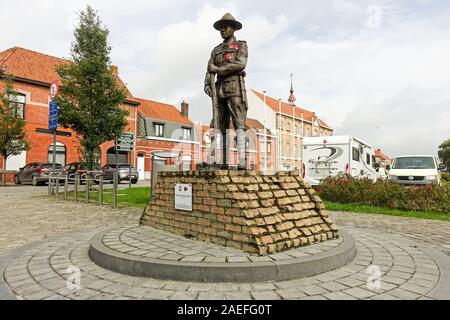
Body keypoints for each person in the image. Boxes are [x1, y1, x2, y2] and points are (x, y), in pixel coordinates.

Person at [204, 13, 248, 170]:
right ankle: (222, 161)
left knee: (239, 123)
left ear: (234, 29)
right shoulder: (216, 50)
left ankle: (242, 161)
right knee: (219, 125)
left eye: (226, 26)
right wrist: (207, 84)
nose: (223, 29)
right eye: (221, 27)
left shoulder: (241, 46)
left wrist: (218, 69)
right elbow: (209, 69)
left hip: (235, 88)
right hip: (219, 90)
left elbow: (240, 64)